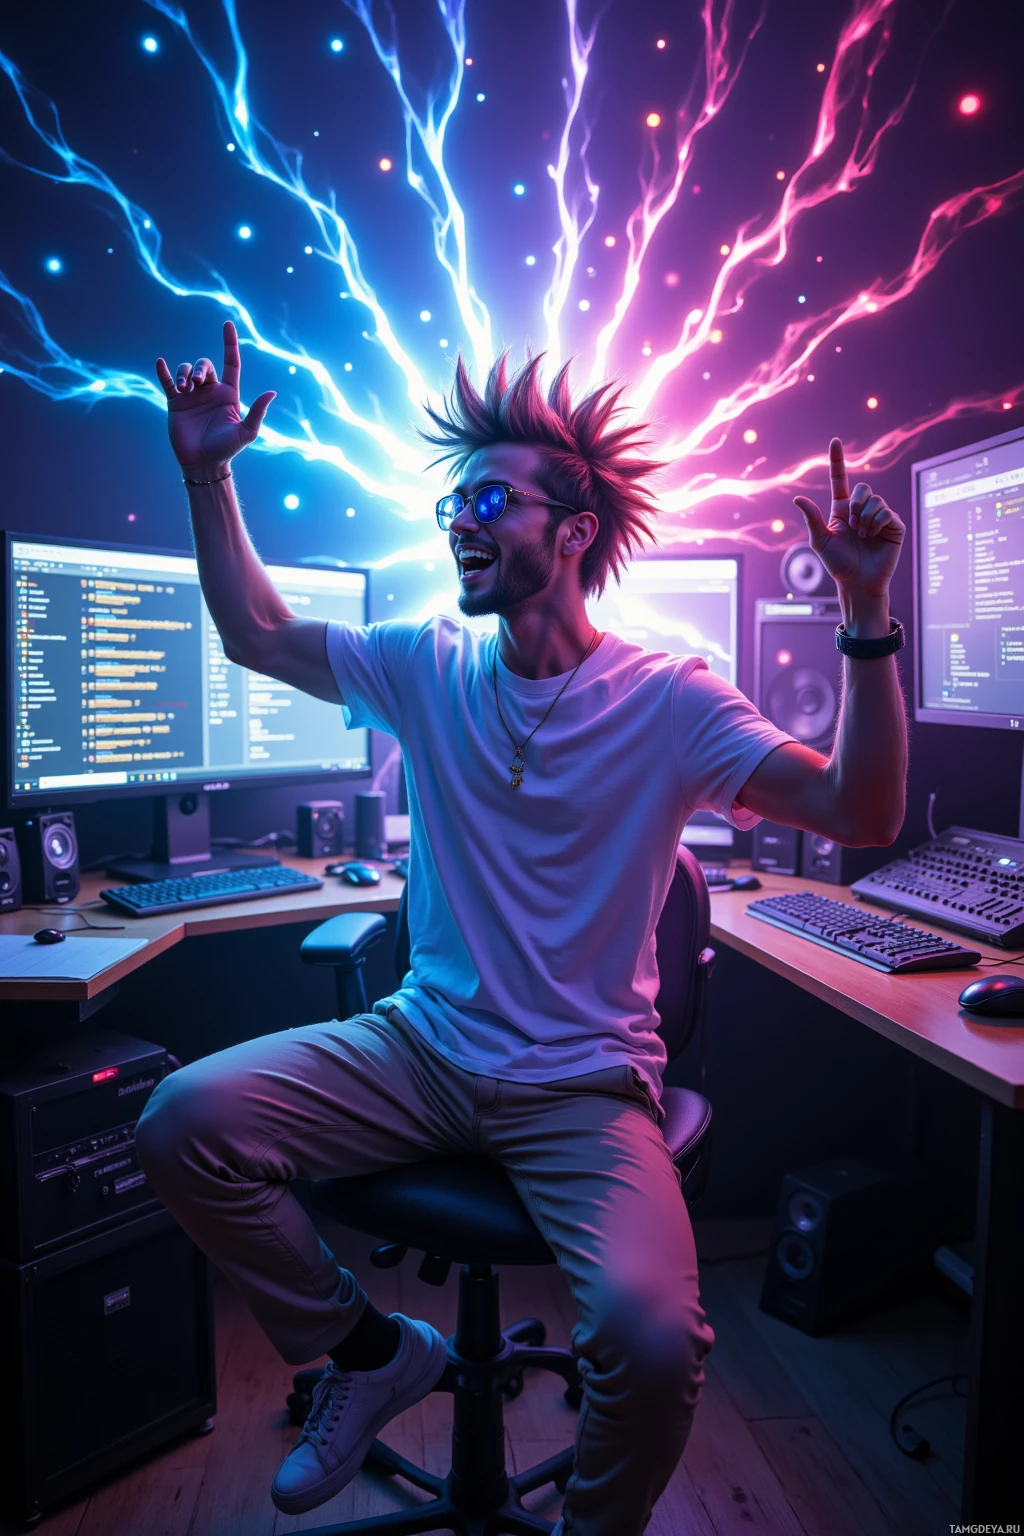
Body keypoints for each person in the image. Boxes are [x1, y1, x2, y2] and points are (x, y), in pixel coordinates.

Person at [136, 321, 907, 1535]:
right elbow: (253, 632)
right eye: (453, 500)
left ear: (575, 530)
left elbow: (861, 808)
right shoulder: (424, 665)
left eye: (490, 497)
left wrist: (866, 615)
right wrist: (204, 469)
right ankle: (367, 1349)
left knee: (654, 1351)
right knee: (183, 1123)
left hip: (582, 1092)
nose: (461, 519)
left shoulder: (669, 699)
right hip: (419, 1051)